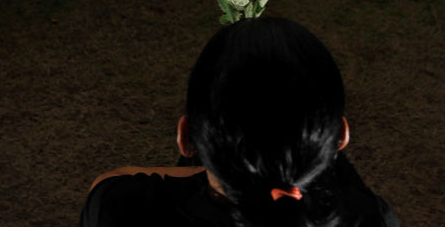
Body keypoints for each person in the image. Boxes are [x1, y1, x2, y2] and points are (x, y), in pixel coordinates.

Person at [80, 17, 400, 227]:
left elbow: (112, 178)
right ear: (340, 136)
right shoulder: (372, 217)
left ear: (186, 136)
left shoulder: (119, 209)